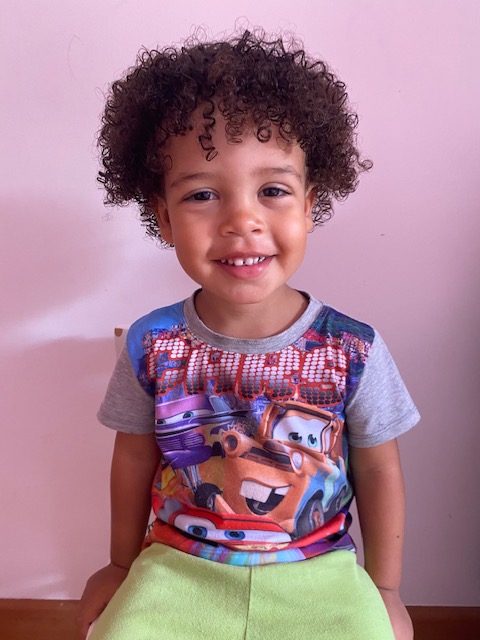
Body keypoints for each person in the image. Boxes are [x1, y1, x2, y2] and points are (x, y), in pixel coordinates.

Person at [78, 29, 420, 640]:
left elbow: (378, 470)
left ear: (309, 205)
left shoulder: (354, 348)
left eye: (272, 191)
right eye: (203, 194)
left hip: (320, 571)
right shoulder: (150, 343)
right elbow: (132, 456)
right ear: (163, 217)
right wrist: (120, 565)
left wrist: (387, 589)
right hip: (179, 565)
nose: (242, 220)